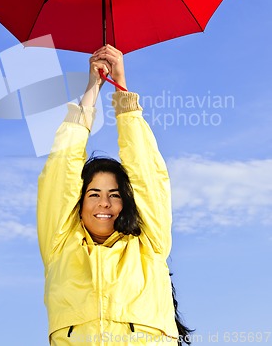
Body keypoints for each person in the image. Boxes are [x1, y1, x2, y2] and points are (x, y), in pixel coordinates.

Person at [37, 45, 192, 345]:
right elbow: (61, 169)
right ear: (78, 203)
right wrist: (92, 88)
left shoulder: (150, 243)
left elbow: (146, 173)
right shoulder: (60, 247)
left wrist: (121, 86)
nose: (104, 203)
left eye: (115, 194)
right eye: (93, 194)